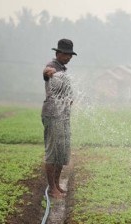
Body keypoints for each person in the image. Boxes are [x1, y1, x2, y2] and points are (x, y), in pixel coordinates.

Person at [41, 38, 77, 198]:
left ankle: (57, 185)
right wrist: (50, 73)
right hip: (53, 114)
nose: (68, 57)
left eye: (70, 55)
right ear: (58, 53)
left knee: (62, 152)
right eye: (66, 54)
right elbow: (46, 72)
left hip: (63, 115)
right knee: (53, 152)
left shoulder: (63, 69)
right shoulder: (52, 66)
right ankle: (51, 188)